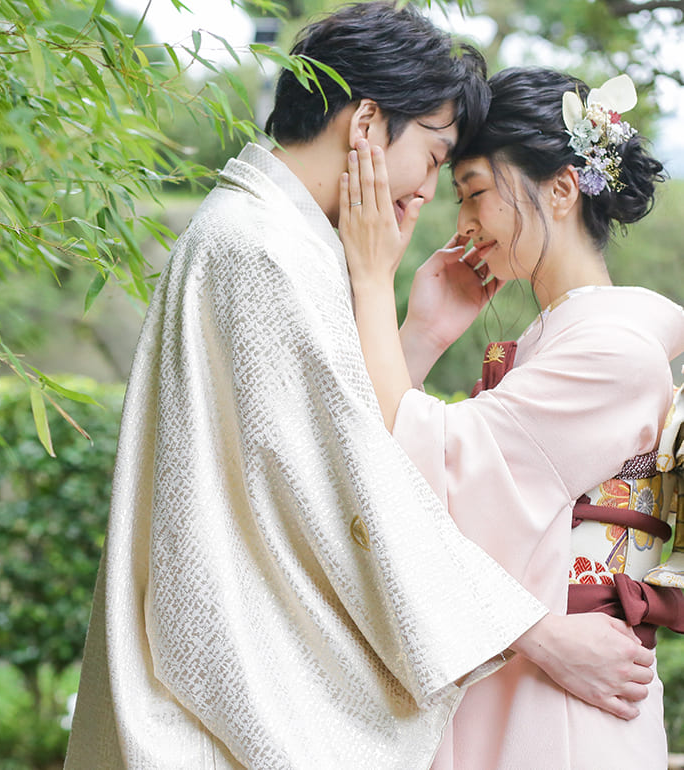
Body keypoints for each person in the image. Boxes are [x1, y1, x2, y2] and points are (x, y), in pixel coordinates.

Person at [64, 6, 653, 768]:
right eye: (435, 158)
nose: (429, 194)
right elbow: (356, 493)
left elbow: (347, 457)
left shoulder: (271, 240)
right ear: (368, 124)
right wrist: (536, 634)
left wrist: (412, 332)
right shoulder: (262, 251)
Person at [341, 66, 684, 768]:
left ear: (561, 189)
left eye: (474, 192)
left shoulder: (612, 351)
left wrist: (372, 277)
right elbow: (395, 476)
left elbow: (420, 477)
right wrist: (423, 334)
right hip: (537, 675)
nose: (463, 224)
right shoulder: (563, 340)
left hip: (564, 712)